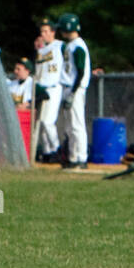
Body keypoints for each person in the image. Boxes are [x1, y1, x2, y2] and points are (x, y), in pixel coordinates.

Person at [56, 13, 92, 169]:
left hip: (75, 88)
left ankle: (81, 157)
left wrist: (73, 92)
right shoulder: (70, 44)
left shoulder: (78, 45)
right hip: (68, 87)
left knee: (77, 124)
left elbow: (81, 71)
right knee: (69, 126)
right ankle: (72, 157)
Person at [32, 17, 64, 162]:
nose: (43, 34)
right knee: (41, 121)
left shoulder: (60, 45)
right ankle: (47, 151)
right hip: (42, 88)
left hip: (54, 86)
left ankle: (57, 149)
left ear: (53, 32)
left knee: (48, 121)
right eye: (41, 31)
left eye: (46, 31)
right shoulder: (41, 50)